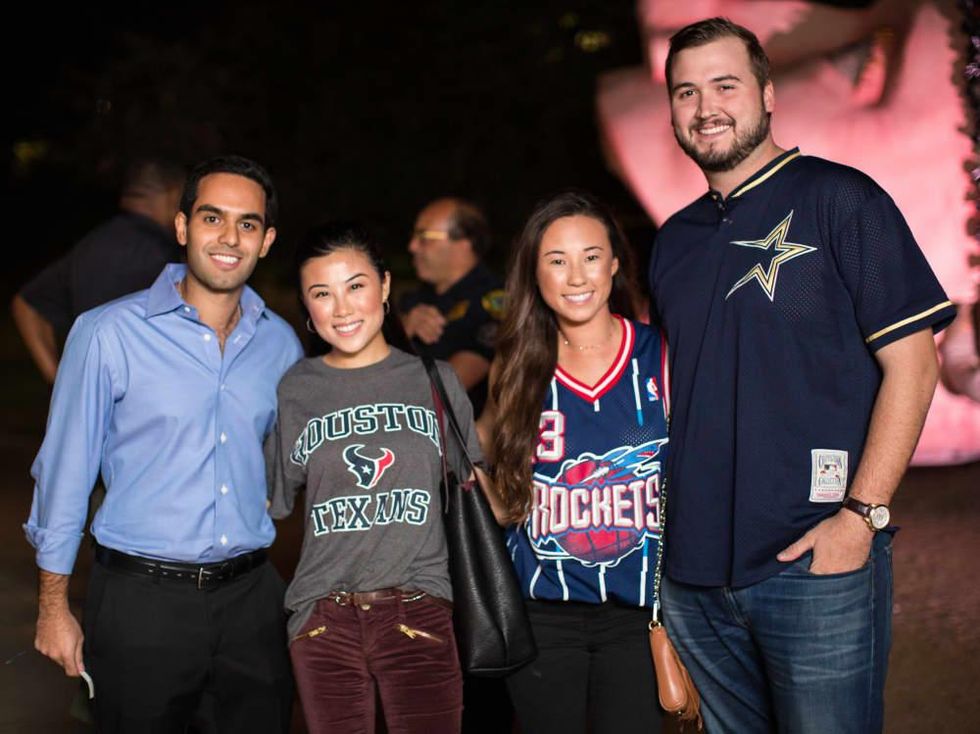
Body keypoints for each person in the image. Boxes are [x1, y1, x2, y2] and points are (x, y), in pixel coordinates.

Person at [648, 18, 956, 733]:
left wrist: (861, 516)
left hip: (814, 564)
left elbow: (914, 363)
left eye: (725, 85)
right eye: (687, 92)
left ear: (767, 93)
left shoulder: (841, 199)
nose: (706, 107)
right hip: (694, 580)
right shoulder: (672, 242)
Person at [24, 155, 302, 733]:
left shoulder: (281, 345)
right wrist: (53, 607)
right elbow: (65, 474)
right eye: (212, 218)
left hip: (252, 602)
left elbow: (286, 462)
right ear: (182, 227)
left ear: (267, 240)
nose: (229, 238)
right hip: (140, 604)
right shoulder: (107, 333)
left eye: (248, 224)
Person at [266, 222, 486, 733]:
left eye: (356, 286)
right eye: (322, 293)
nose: (342, 308)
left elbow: (477, 492)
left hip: (419, 611)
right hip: (321, 620)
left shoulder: (436, 380)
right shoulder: (295, 390)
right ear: (306, 306)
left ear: (385, 287)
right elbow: (272, 501)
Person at [478, 191, 667, 734]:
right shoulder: (517, 364)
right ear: (534, 273)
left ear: (615, 264)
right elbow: (480, 462)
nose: (577, 276)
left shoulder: (660, 354)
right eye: (557, 260)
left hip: (641, 617)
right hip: (541, 614)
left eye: (591, 256)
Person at [11, 158, 186, 383]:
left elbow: (25, 305)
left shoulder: (91, 244)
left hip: (95, 391)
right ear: (173, 194)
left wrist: (60, 384)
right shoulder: (161, 255)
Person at [400, 197, 505, 414]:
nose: (412, 246)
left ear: (464, 243)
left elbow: (443, 391)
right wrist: (403, 329)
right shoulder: (416, 299)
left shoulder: (491, 303)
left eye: (424, 237)